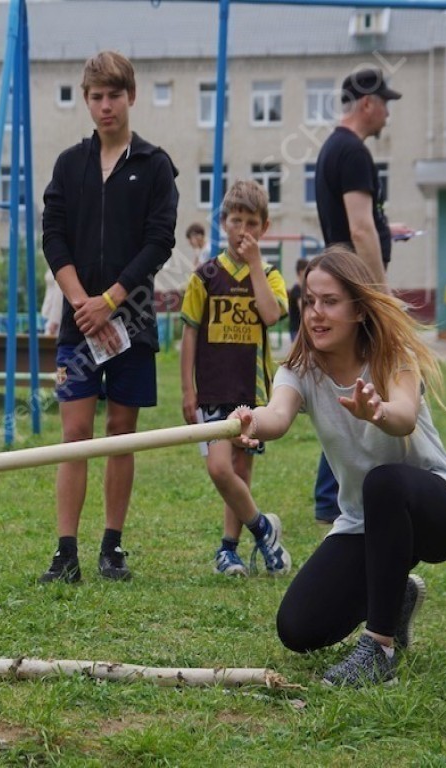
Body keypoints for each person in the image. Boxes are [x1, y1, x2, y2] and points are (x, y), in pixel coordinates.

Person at [233, 247, 446, 686]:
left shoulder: (392, 354)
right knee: (298, 628)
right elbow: (277, 416)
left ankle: (379, 650)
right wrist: (252, 421)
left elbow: (403, 415)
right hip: (365, 523)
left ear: (359, 310)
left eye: (330, 302)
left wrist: (378, 413)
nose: (315, 313)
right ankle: (395, 594)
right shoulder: (300, 369)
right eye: (310, 301)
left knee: (383, 483)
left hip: (439, 511)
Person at [39, 50, 178, 583]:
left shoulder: (155, 165)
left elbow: (159, 242)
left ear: (131, 96)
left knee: (121, 431)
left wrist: (112, 300)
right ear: (86, 100)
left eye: (114, 96)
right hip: (79, 324)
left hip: (131, 323)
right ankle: (65, 553)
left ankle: (112, 547)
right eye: (96, 97)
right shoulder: (69, 165)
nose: (105, 106)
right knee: (75, 433)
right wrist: (82, 302)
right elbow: (53, 235)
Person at [180, 180, 291, 578]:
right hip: (212, 389)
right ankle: (263, 529)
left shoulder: (271, 275)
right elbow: (190, 332)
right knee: (219, 468)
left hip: (251, 391)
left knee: (240, 472)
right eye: (236, 221)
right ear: (223, 222)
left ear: (264, 227)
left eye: (252, 223)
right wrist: (188, 389)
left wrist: (256, 265)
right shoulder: (205, 275)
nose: (243, 230)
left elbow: (271, 315)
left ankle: (229, 549)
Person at [311, 68, 403, 525]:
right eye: (386, 103)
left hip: (344, 285)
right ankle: (331, 496)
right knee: (356, 385)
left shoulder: (334, 147)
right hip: (355, 291)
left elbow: (366, 223)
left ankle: (330, 494)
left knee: (351, 385)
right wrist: (381, 295)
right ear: (368, 103)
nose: (388, 113)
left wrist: (389, 230)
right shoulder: (354, 152)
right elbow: (360, 228)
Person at [287, 257, 308, 342]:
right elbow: (302, 308)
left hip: (302, 329)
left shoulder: (304, 289)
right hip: (297, 329)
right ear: (300, 272)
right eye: (306, 270)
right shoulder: (297, 290)